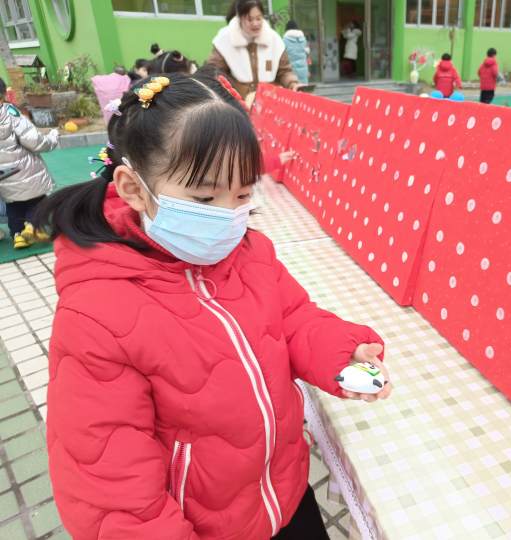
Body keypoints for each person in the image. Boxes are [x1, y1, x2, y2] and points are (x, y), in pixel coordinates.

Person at [36, 72, 391, 540]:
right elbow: (110, 488)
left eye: (243, 194)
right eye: (204, 197)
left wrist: (340, 354)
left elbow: (291, 318)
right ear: (133, 188)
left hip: (283, 493)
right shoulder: (97, 316)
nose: (227, 216)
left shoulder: (249, 252)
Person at [0, 77, 57, 249]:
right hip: (24, 169)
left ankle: (17, 235)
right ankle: (34, 226)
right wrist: (52, 138)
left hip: (4, 176)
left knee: (13, 206)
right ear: (3, 95)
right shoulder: (9, 113)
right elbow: (33, 140)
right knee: (37, 201)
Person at [206, 0, 299, 100]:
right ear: (240, 19)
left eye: (258, 18)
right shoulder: (225, 40)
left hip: (269, 102)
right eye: (249, 19)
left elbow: (285, 71)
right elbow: (214, 72)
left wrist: (292, 83)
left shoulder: (274, 40)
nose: (255, 23)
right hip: (238, 104)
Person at [283, 20, 310, 85]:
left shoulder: (284, 40)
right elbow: (307, 52)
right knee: (303, 90)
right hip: (303, 70)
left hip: (291, 71)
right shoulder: (303, 39)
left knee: (293, 91)